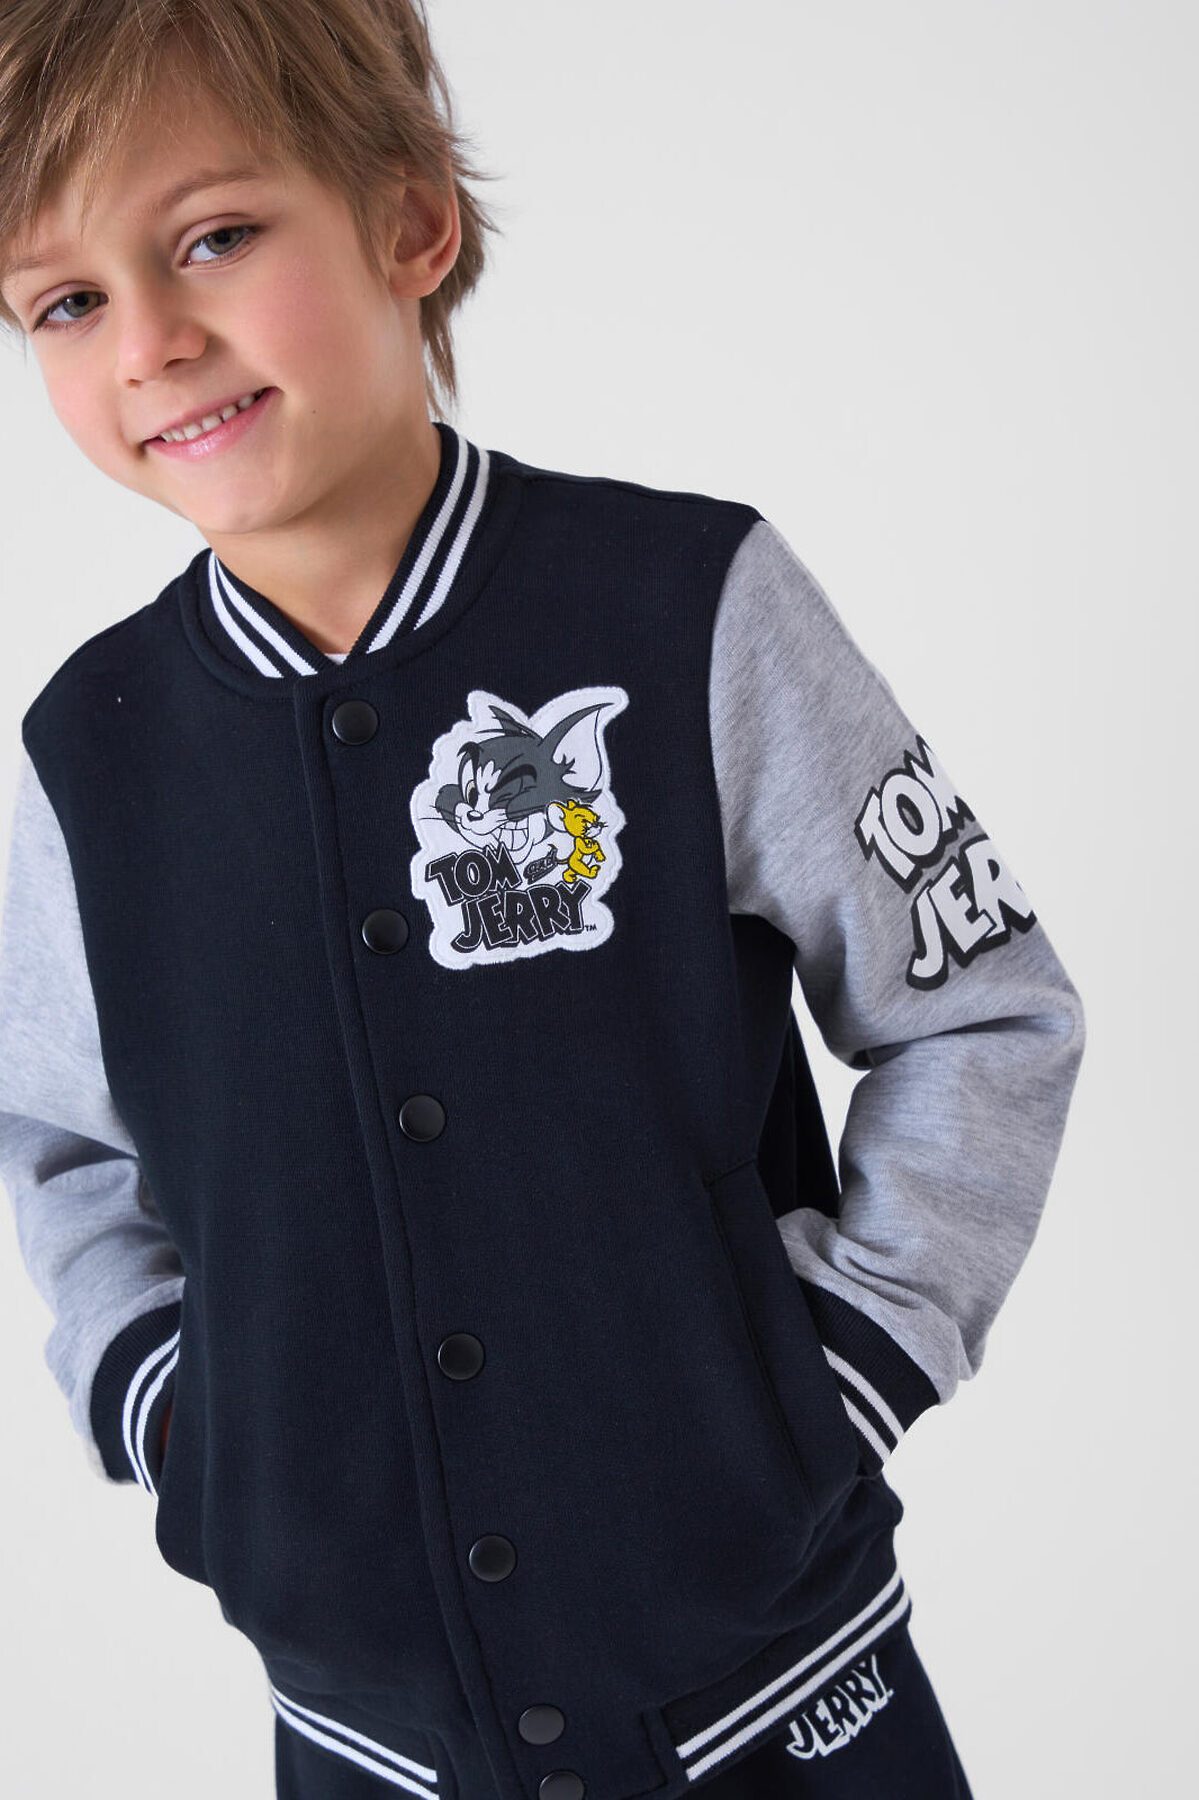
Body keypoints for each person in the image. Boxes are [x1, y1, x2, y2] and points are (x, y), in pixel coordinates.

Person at [0, 4, 1084, 1797]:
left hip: (779, 1699)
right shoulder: (85, 753)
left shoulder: (686, 606)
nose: (152, 344)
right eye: (64, 302)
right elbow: (60, 1142)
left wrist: (843, 1366)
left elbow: (981, 1006)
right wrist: (177, 1416)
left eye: (214, 237)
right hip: (367, 1741)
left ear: (412, 220)